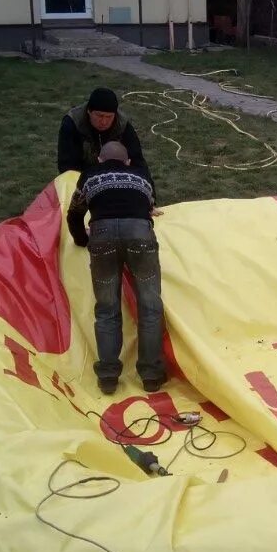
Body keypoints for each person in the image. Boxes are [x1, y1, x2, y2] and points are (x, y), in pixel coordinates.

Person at [66, 139, 166, 395]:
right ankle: (151, 375)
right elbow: (149, 204)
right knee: (150, 307)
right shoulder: (142, 176)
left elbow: (75, 214)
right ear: (128, 162)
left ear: (100, 160)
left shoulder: (89, 176)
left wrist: (82, 240)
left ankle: (109, 376)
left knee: (107, 309)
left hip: (103, 236)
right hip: (140, 234)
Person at [57, 87, 146, 176]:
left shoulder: (122, 125)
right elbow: (67, 165)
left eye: (109, 117)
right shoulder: (73, 123)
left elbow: (137, 161)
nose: (104, 122)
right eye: (99, 116)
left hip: (116, 176)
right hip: (82, 174)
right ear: (89, 111)